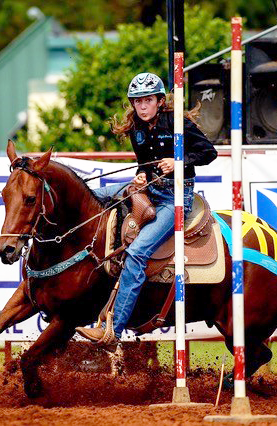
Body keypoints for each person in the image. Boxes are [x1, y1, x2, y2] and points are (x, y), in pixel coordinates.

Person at [76, 72, 217, 345]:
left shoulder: (178, 123)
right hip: (148, 191)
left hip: (174, 198)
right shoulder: (136, 129)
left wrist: (178, 161)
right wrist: (141, 175)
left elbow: (209, 152)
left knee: (138, 252)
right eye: (137, 101)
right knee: (89, 195)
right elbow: (144, 163)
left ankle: (113, 331)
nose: (142, 106)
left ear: (160, 101)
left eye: (147, 100)